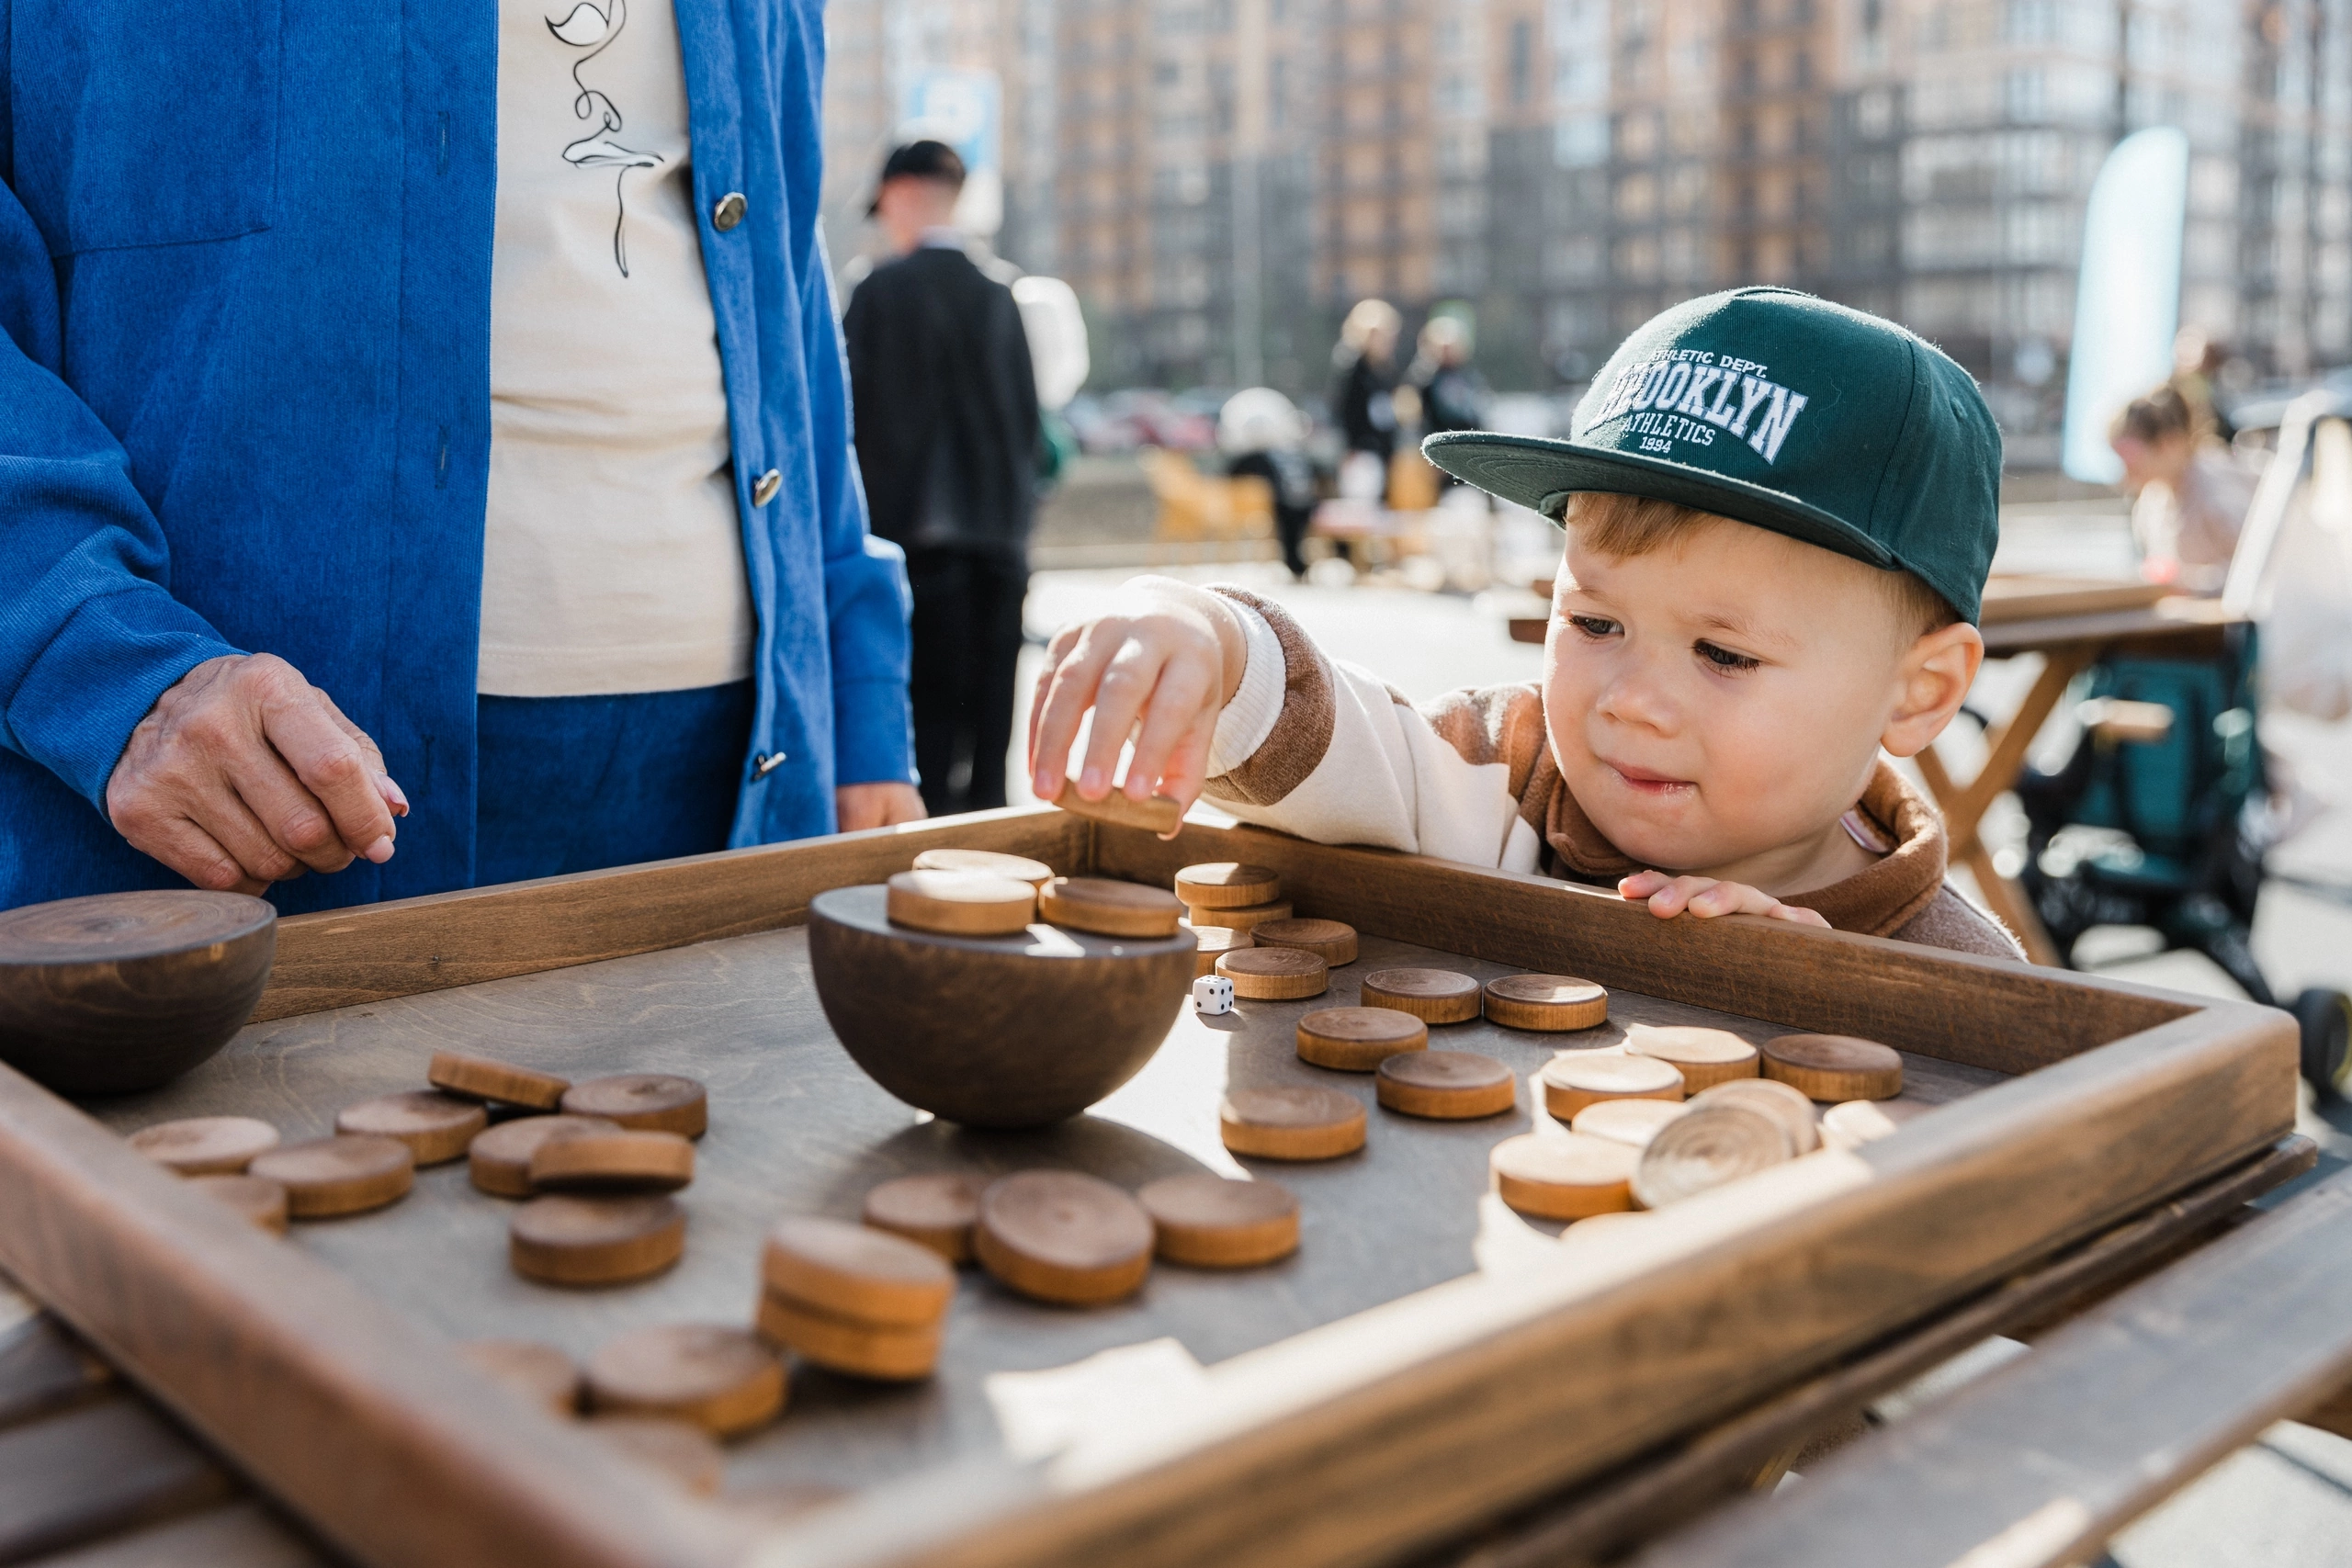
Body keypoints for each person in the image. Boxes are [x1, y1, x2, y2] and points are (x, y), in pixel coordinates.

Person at [1, 0, 921, 915]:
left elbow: (782, 288)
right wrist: (98, 661)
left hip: (749, 769)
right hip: (260, 789)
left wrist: (854, 690)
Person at [1027, 288, 2018, 957]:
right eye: (1591, 622)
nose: (1631, 704)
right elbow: (1336, 736)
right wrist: (1203, 638)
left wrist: (1845, 1010)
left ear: (1918, 691)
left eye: (1722, 653)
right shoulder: (1506, 775)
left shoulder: (1972, 971)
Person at [843, 141, 1043, 816]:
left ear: (898, 194)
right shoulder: (1000, 296)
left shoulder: (876, 292)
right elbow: (1028, 431)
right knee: (991, 751)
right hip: (999, 548)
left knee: (921, 758)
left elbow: (846, 425)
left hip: (910, 554)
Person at [2109, 384, 2257, 595]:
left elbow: (2262, 568)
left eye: (2130, 458)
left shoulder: (2218, 489)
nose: (2126, 473)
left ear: (2169, 442)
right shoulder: (2152, 500)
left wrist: (2189, 583)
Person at [1218, 389, 1319, 581]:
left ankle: (1295, 564)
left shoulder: (1257, 457)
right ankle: (1296, 564)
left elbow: (1231, 475)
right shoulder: (1292, 453)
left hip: (1286, 503)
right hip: (1301, 503)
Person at [1330, 299, 1403, 502]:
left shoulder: (1386, 370)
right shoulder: (1353, 370)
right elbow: (1343, 411)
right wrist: (1349, 448)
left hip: (1384, 453)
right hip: (1361, 453)